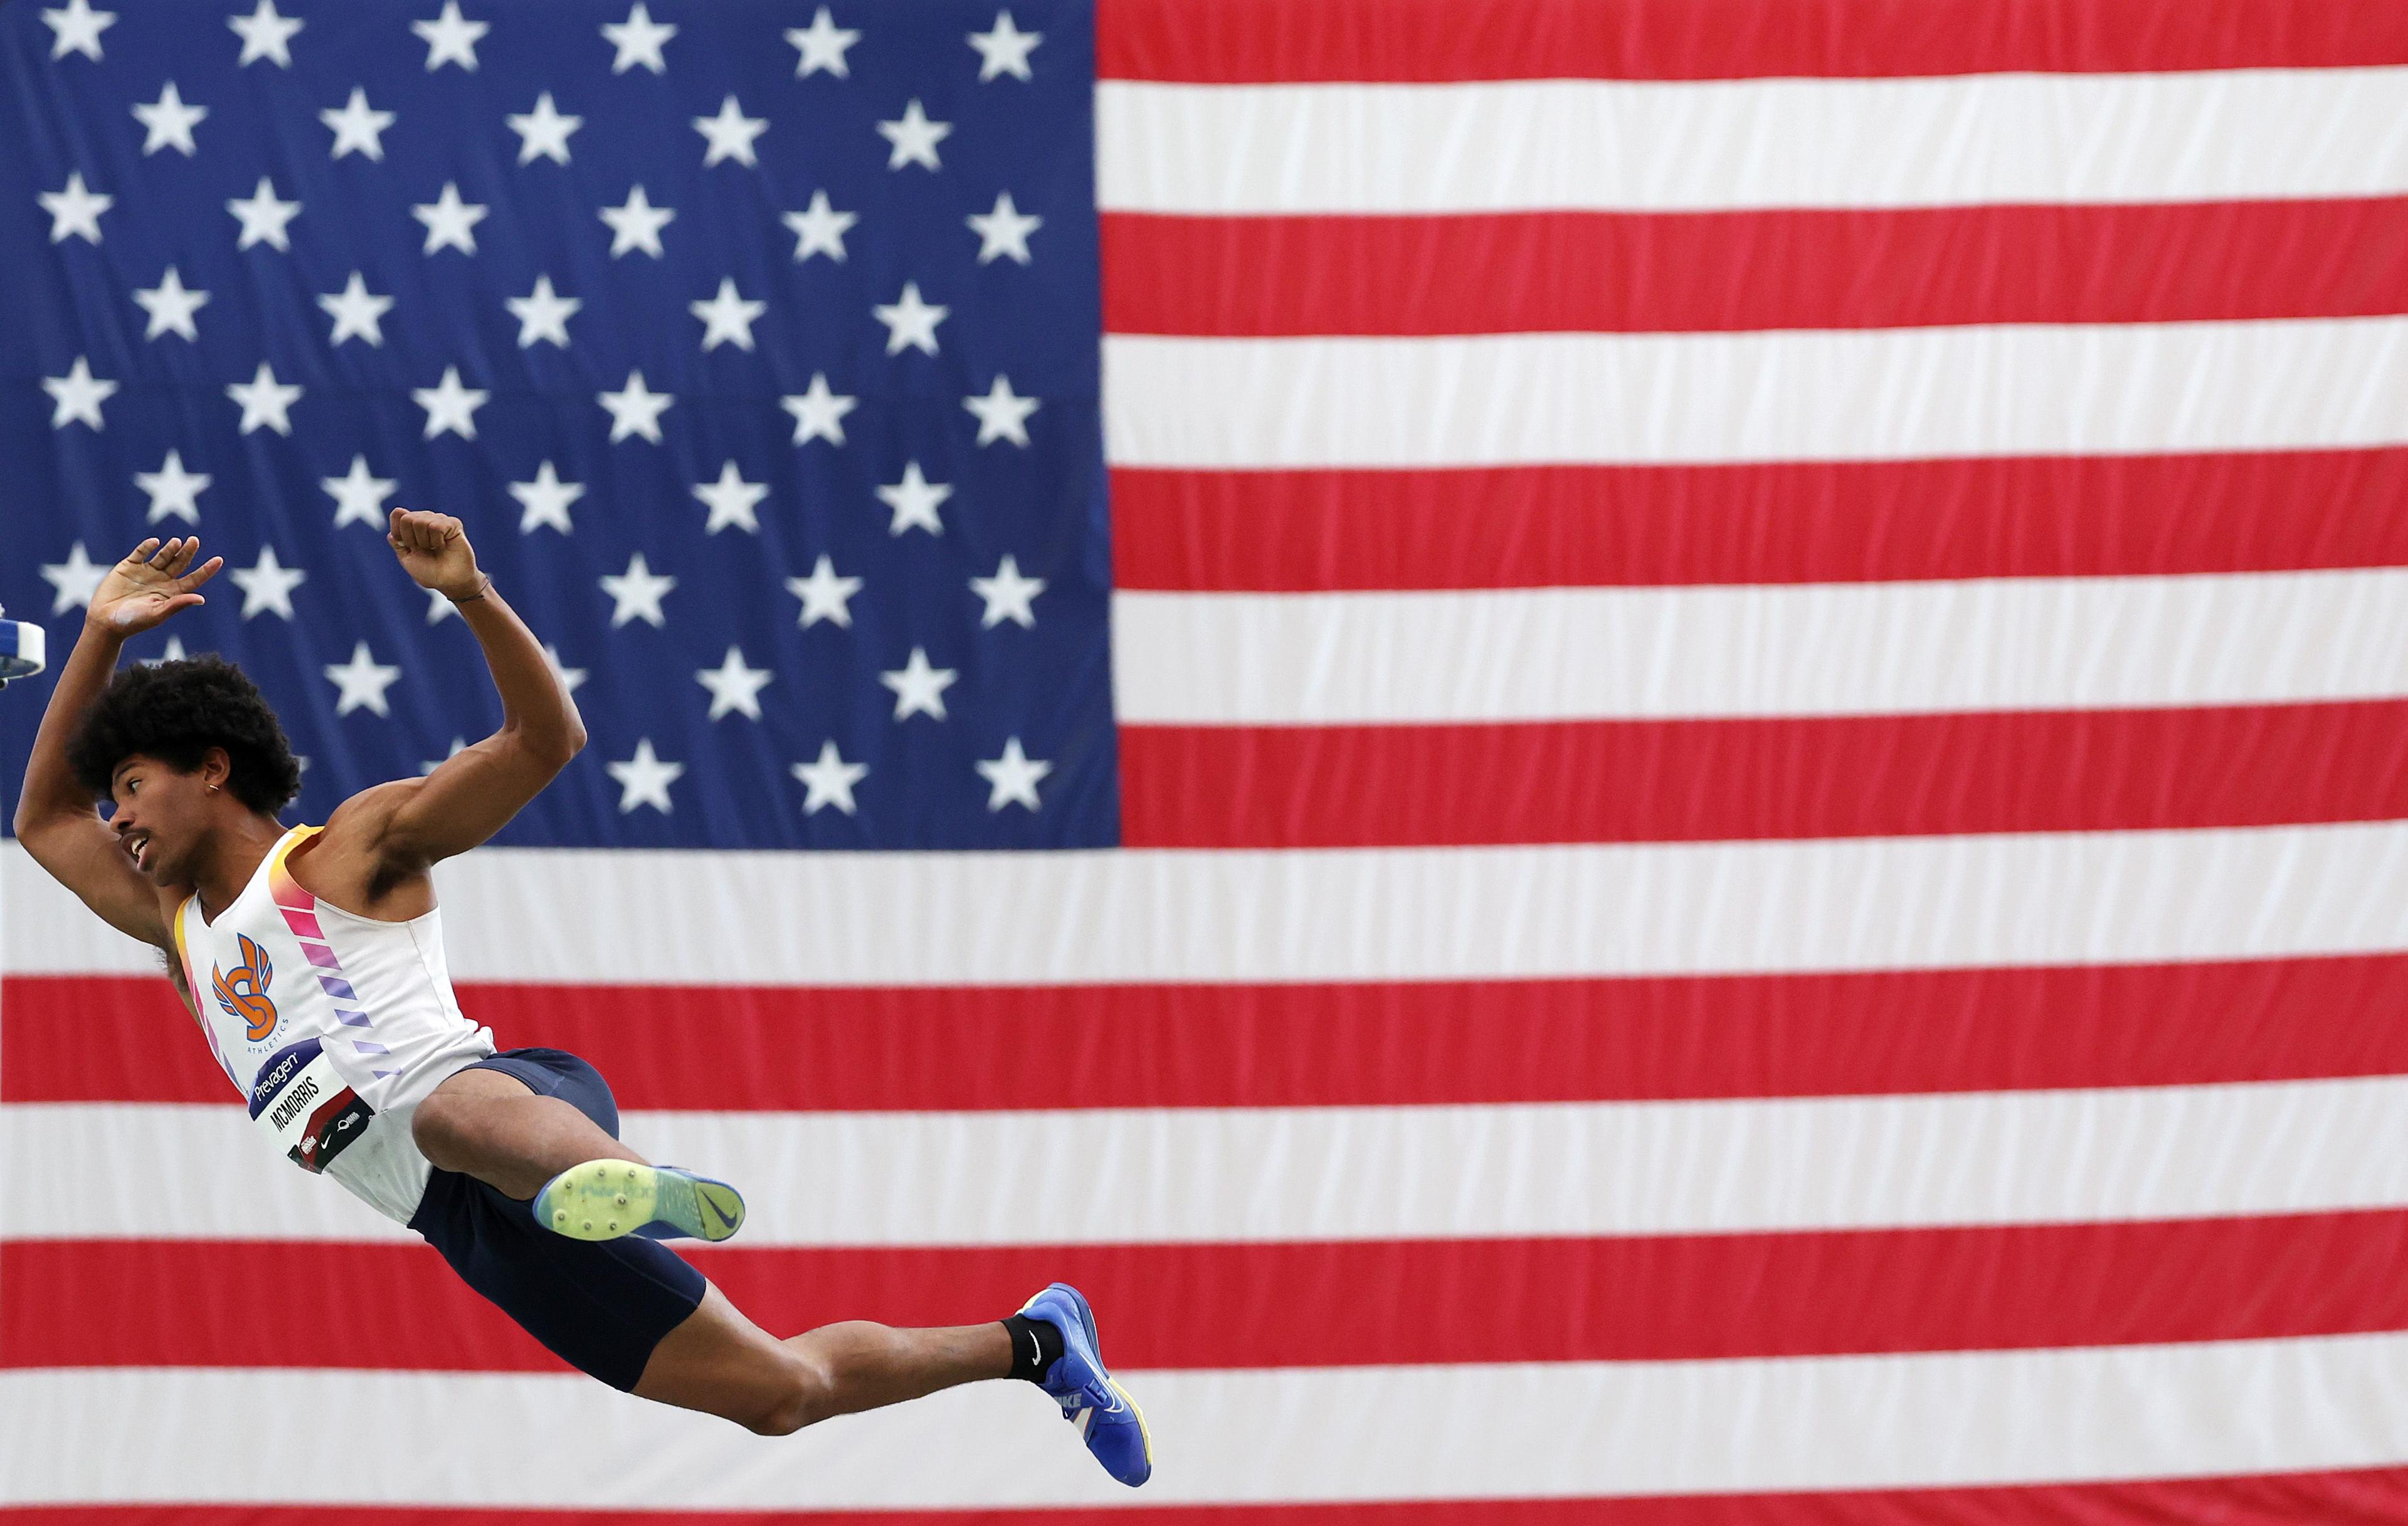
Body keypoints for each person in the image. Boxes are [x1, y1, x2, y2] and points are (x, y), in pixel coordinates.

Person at [11, 517, 1151, 1483]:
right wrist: (101, 633)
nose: (113, 816)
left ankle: (625, 1185)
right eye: (111, 795)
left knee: (445, 1119)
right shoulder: (176, 930)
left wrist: (475, 596)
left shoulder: (343, 851)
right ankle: (1036, 1343)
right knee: (781, 1394)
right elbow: (41, 823)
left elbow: (545, 739)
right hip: (462, 1220)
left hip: (511, 1103)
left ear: (213, 768)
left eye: (132, 785)